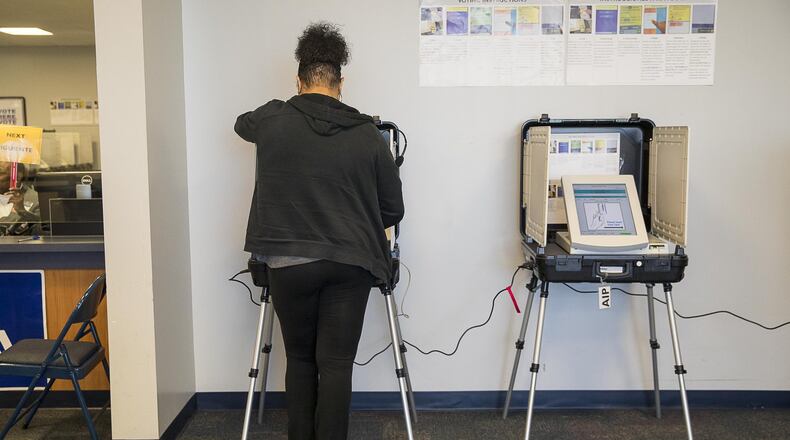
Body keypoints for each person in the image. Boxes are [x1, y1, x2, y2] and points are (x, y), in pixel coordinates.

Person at [234, 22, 404, 440]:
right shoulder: (369, 135)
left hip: (289, 263)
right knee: (337, 364)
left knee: (301, 360)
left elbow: (242, 124)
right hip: (351, 263)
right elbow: (393, 208)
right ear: (341, 82)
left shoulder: (272, 119)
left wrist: (283, 107)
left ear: (298, 79)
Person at [0, 163, 40, 236]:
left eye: (1, 172)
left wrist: (22, 211)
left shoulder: (36, 200)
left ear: (17, 176)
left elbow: (44, 229)